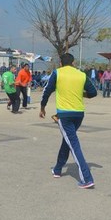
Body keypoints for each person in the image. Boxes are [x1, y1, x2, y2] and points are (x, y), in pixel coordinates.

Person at [40, 53, 98, 189]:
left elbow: (47, 90)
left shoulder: (57, 73)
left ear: (61, 62)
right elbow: (93, 92)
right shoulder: (81, 74)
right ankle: (58, 169)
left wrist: (42, 107)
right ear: (73, 62)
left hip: (64, 115)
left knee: (73, 144)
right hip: (79, 114)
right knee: (67, 141)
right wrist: (82, 93)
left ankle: (87, 178)